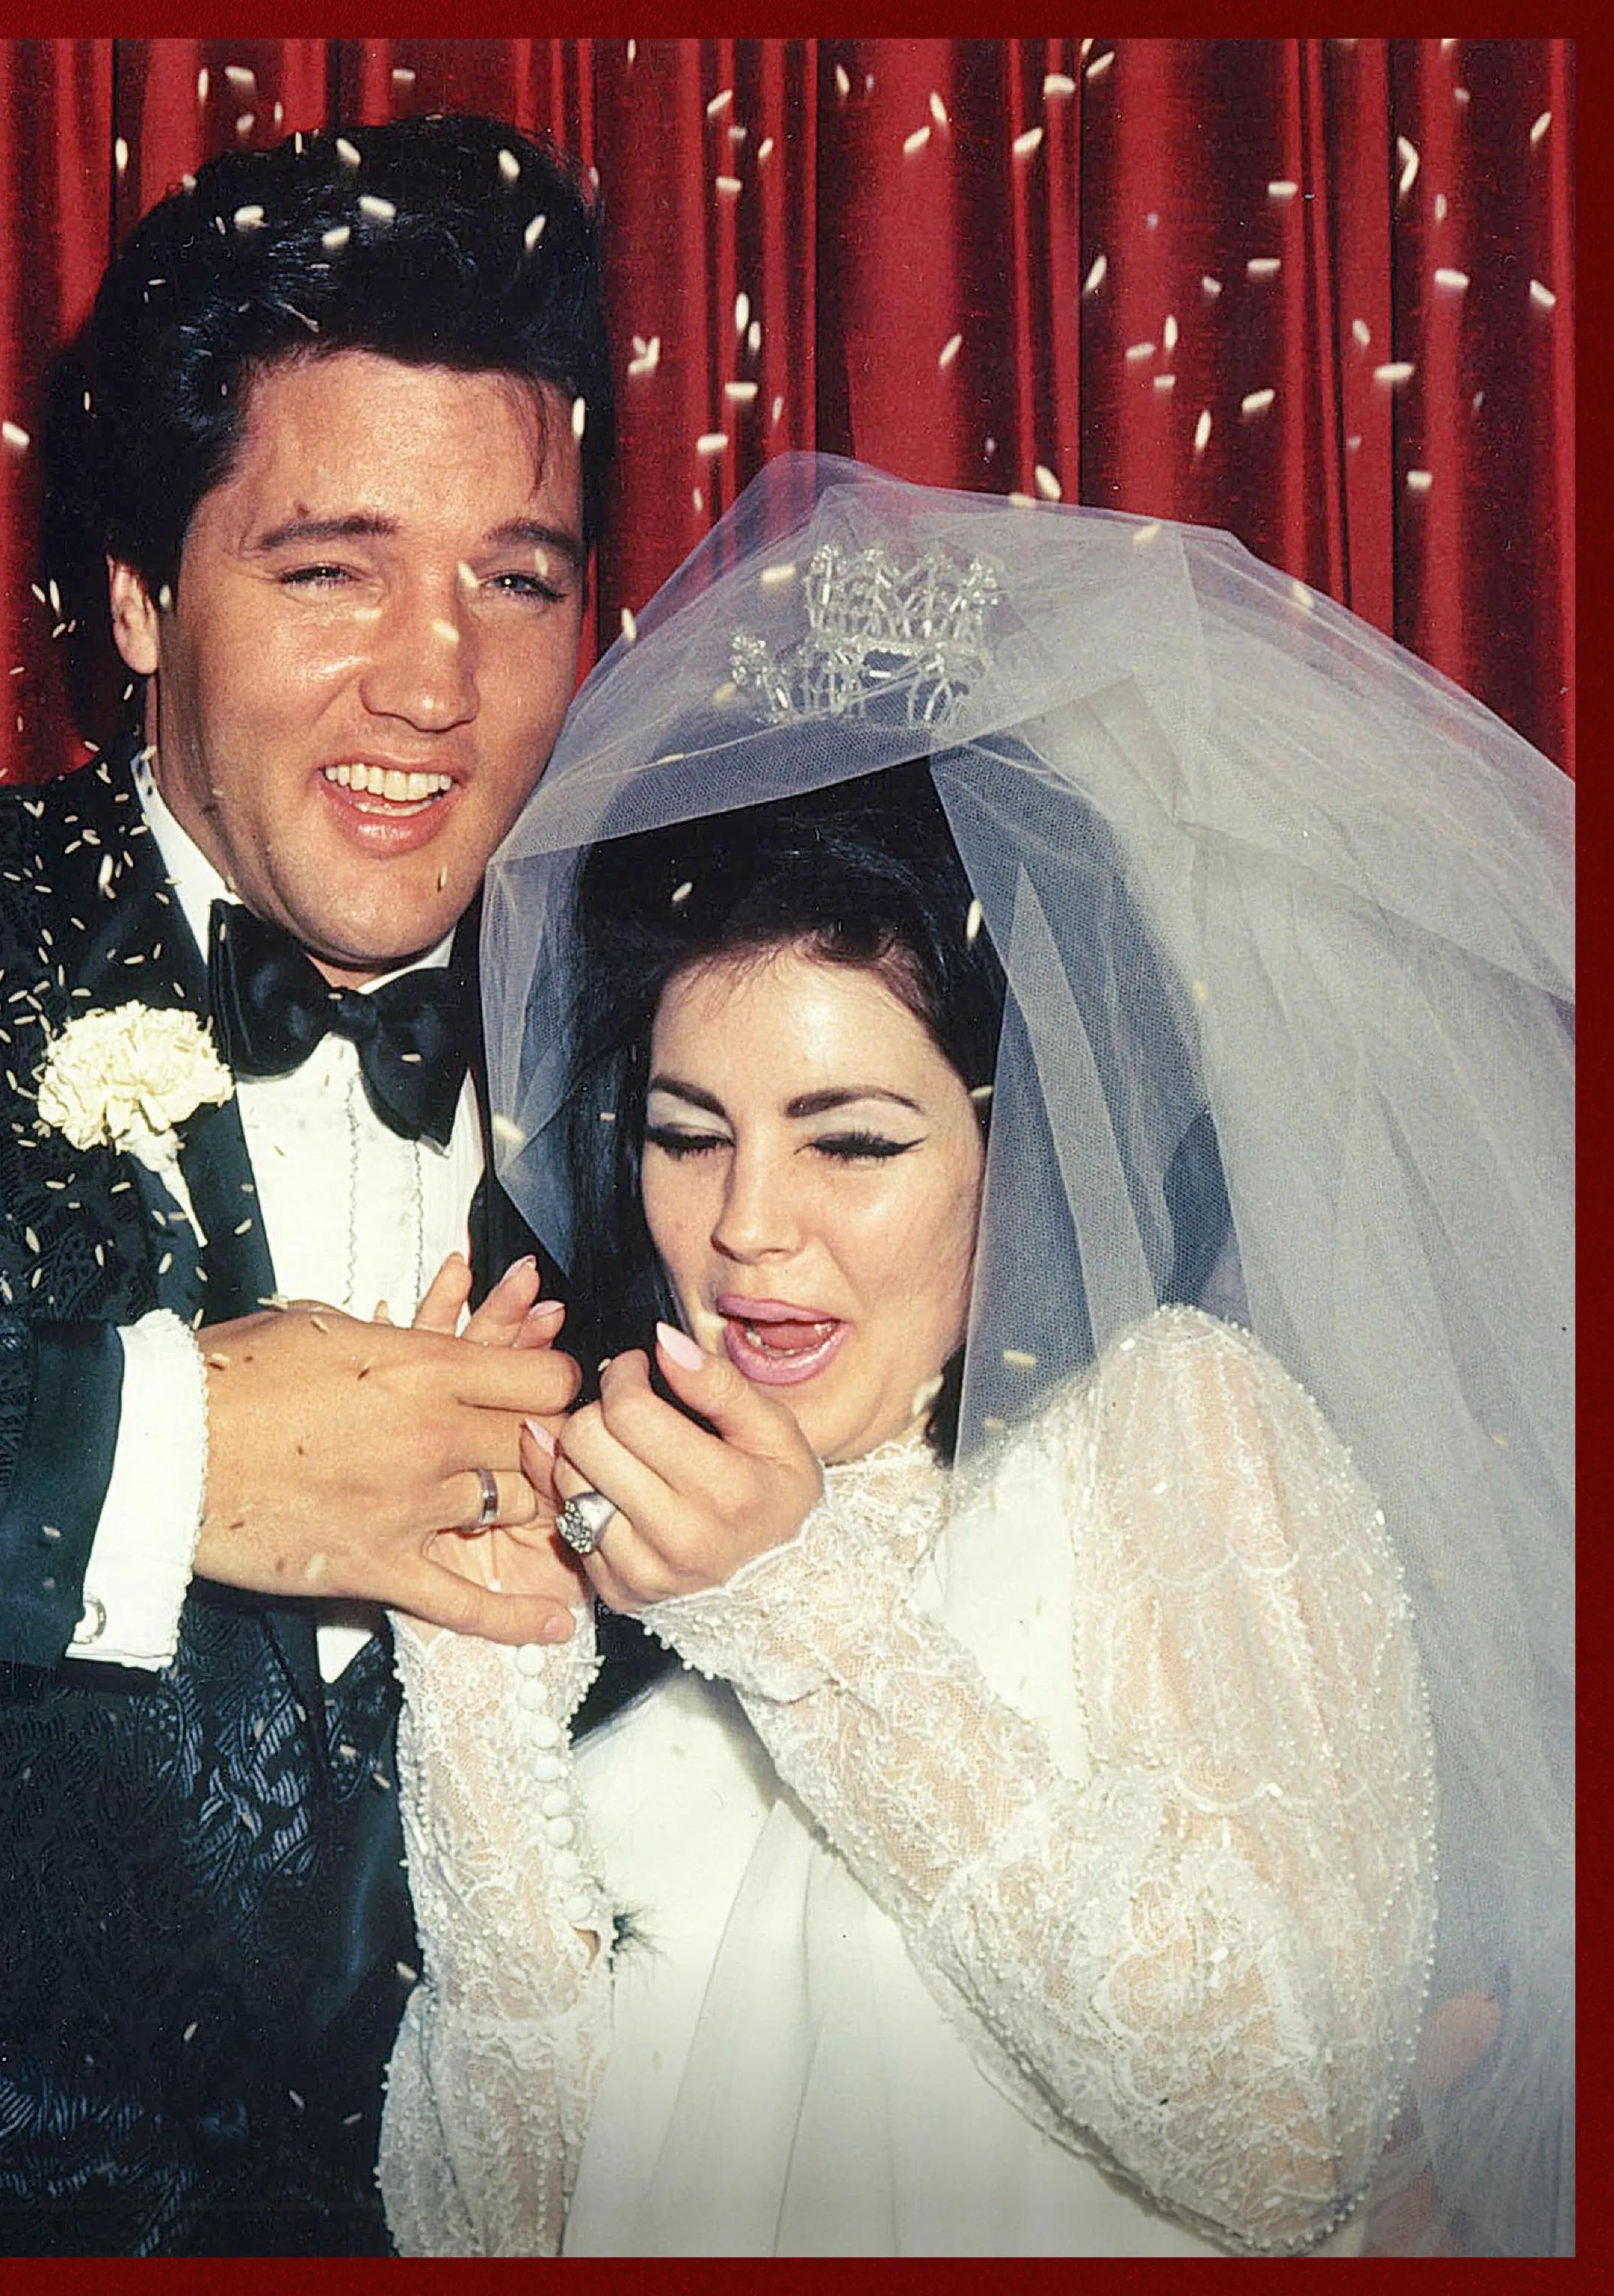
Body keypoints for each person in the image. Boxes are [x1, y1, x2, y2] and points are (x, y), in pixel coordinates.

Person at [376, 459, 1574, 2255]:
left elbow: (1289, 2123)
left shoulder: (1170, 1427)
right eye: (689, 1135)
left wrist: (800, 1621)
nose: (747, 1227)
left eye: (851, 1142)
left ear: (1023, 1148)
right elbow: (490, 2239)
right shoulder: (627, 1502)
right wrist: (484, 1696)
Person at [0, 115, 623, 2255]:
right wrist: (151, 1452)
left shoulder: (705, 1047)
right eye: (331, 566)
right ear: (139, 596)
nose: (435, 682)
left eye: (515, 580)